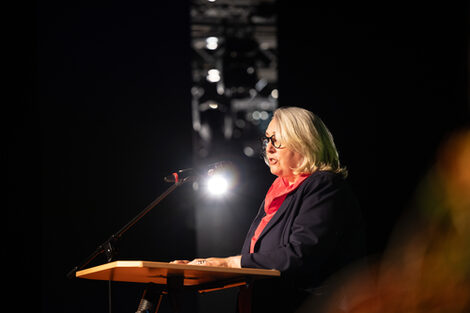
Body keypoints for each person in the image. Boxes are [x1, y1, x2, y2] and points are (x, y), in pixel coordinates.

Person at [172, 106, 367, 313]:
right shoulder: (279, 190)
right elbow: (260, 260)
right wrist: (199, 269)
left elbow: (299, 256)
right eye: (267, 140)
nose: (269, 148)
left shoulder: (324, 186)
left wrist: (228, 263)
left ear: (303, 142)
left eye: (277, 140)